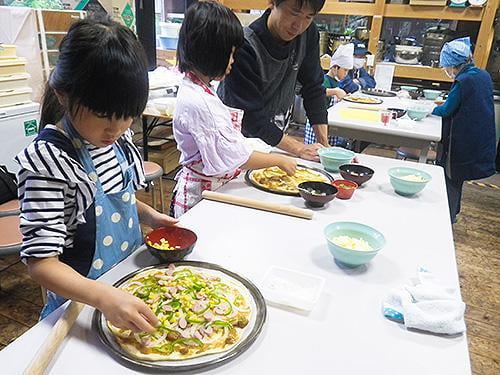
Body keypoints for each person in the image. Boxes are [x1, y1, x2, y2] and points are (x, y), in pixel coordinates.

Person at [15, 18, 177, 331]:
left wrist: (150, 216)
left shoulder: (115, 139)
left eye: (128, 115)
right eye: (104, 115)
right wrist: (103, 297)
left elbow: (114, 199)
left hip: (123, 288)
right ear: (64, 95)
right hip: (78, 307)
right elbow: (41, 264)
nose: (116, 128)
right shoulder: (49, 163)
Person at [171, 1, 297, 218]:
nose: (233, 61)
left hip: (216, 189)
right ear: (211, 52)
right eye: (229, 53)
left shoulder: (201, 89)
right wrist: (280, 160)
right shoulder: (198, 102)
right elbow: (231, 156)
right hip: (201, 199)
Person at [218, 0, 330, 158]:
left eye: (308, 17)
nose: (298, 26)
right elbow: (250, 118)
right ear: (272, 3)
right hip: (236, 144)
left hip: (271, 141)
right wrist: (298, 148)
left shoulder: (307, 34)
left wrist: (324, 147)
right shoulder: (246, 45)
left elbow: (314, 87)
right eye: (294, 13)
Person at [432, 37, 496, 223]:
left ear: (453, 64)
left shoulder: (463, 80)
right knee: (458, 178)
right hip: (479, 136)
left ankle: (447, 218)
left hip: (462, 138)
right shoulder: (482, 75)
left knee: (452, 177)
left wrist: (430, 108)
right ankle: (454, 211)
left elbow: (446, 110)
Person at [304, 43, 352, 145]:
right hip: (316, 124)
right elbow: (318, 93)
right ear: (335, 68)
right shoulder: (324, 80)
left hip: (328, 123)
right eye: (345, 70)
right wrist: (335, 91)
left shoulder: (336, 82)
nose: (346, 74)